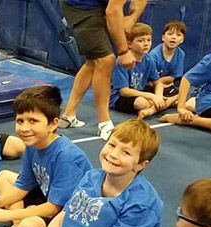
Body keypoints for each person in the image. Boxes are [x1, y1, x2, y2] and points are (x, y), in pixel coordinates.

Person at [25, 119, 162, 227]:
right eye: (112, 144)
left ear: (141, 164)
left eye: (126, 152)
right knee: (79, 212)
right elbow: (65, 216)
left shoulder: (142, 203)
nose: (113, 154)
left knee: (103, 213)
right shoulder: (91, 177)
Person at [0, 86, 92, 227]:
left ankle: (19, 226)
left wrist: (6, 215)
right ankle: (17, 225)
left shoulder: (66, 156)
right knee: (4, 176)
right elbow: (22, 186)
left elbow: (53, 208)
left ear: (53, 124)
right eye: (20, 121)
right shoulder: (32, 144)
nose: (24, 128)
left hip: (66, 212)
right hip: (47, 194)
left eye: (33, 121)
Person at [58, 0, 148, 140]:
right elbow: (112, 11)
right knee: (105, 60)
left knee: (94, 61)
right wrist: (124, 52)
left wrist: (132, 17)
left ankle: (69, 115)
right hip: (79, 6)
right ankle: (104, 124)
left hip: (99, 5)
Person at [109, 23, 175, 119]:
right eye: (140, 41)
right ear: (129, 44)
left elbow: (158, 83)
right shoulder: (122, 61)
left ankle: (152, 109)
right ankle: (163, 104)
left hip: (140, 91)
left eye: (149, 40)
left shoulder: (148, 59)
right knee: (141, 103)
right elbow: (124, 91)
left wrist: (159, 96)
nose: (146, 43)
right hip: (119, 98)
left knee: (176, 92)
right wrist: (151, 97)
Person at [148, 20, 186, 97]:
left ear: (182, 40)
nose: (173, 37)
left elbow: (172, 77)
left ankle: (162, 104)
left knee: (181, 97)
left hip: (165, 85)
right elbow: (150, 82)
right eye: (170, 34)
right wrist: (160, 83)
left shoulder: (181, 54)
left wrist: (163, 82)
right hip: (149, 87)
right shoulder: (153, 55)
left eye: (178, 35)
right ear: (163, 37)